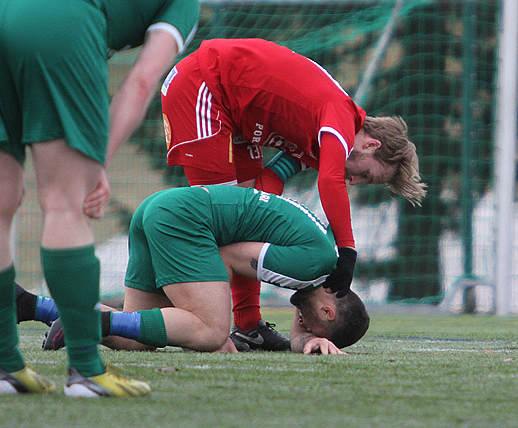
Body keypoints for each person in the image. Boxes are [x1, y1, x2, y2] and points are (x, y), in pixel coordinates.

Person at [0, 0, 200, 397]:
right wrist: (97, 161)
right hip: (59, 19)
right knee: (65, 203)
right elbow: (141, 83)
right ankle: (86, 371)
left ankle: (4, 369)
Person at [160, 37, 426, 351]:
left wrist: (257, 210)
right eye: (365, 175)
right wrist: (348, 251)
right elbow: (329, 182)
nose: (354, 181)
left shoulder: (322, 135)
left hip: (232, 111)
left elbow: (273, 177)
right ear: (371, 144)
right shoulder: (340, 119)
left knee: (238, 220)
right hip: (204, 85)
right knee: (219, 220)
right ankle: (198, 323)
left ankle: (248, 327)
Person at [24, 185, 369, 354]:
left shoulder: (322, 264)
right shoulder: (312, 268)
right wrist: (219, 331)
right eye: (312, 325)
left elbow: (298, 334)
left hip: (164, 210)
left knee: (135, 340)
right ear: (327, 310)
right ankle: (85, 321)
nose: (302, 324)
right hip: (182, 221)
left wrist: (309, 341)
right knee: (210, 331)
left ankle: (31, 305)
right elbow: (227, 256)